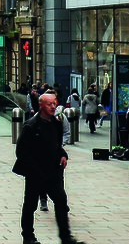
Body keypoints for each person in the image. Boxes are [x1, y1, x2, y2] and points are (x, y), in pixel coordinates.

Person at [13, 93, 84, 244]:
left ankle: (66, 237)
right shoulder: (31, 126)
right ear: (41, 105)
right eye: (49, 104)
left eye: (54, 103)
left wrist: (62, 154)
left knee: (61, 201)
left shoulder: (56, 123)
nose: (53, 107)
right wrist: (34, 170)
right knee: (30, 205)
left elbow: (56, 145)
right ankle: (28, 237)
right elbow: (21, 152)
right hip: (35, 173)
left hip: (52, 172)